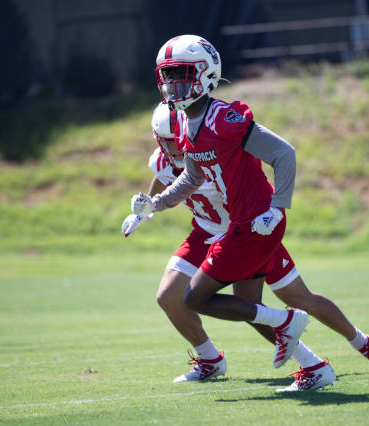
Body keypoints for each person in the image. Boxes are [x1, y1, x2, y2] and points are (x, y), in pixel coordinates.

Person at [125, 102, 369, 390]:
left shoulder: (213, 147)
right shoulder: (167, 158)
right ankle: (211, 360)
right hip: (205, 232)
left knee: (296, 299)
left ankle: (364, 344)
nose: (176, 147)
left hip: (246, 232)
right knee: (169, 295)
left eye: (176, 136)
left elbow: (253, 171)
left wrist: (272, 209)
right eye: (168, 141)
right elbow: (163, 177)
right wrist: (146, 209)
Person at [131, 34, 310, 372]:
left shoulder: (223, 119)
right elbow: (191, 178)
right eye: (167, 77)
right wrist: (154, 206)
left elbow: (284, 153)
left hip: (251, 224)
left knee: (214, 300)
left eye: (179, 74)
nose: (171, 85)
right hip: (229, 228)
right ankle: (309, 360)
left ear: (204, 74)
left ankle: (295, 328)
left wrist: (278, 206)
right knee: (219, 302)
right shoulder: (186, 125)